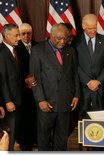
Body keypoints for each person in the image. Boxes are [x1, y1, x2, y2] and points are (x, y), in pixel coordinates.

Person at [29, 23, 80, 151]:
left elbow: (75, 75)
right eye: (59, 38)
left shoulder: (70, 50)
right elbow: (34, 79)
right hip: (46, 102)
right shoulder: (38, 50)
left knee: (62, 138)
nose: (62, 41)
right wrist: (40, 100)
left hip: (65, 101)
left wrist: (76, 95)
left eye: (65, 38)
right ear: (50, 35)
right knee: (44, 138)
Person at [74, 14, 104, 117]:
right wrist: (88, 81)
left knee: (100, 119)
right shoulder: (75, 42)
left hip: (100, 88)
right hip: (83, 88)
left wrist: (98, 81)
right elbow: (75, 65)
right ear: (83, 26)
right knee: (82, 119)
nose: (93, 31)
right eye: (90, 28)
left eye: (95, 28)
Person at [16, 23, 37, 151]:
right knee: (24, 117)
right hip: (23, 89)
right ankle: (24, 142)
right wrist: (25, 79)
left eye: (29, 33)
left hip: (37, 87)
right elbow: (14, 69)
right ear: (19, 34)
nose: (26, 36)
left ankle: (34, 140)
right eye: (23, 33)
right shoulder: (15, 47)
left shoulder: (37, 45)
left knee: (35, 116)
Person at [0, 24, 21, 151]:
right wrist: (8, 100)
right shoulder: (1, 53)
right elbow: (2, 80)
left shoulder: (13, 50)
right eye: (16, 35)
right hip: (8, 102)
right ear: (6, 36)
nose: (19, 38)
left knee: (13, 133)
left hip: (16, 99)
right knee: (8, 135)